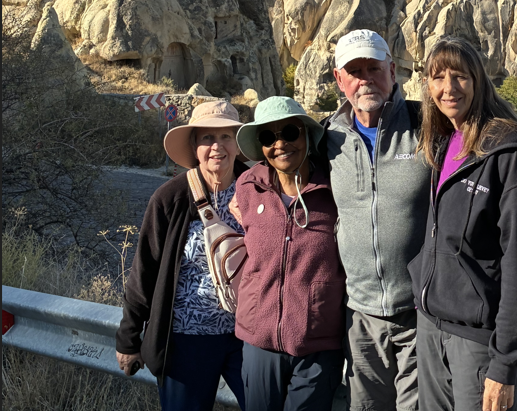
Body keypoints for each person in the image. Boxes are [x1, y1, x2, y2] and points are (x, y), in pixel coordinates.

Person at [409, 36, 517, 411]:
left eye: (461, 76)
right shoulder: (444, 140)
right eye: (438, 77)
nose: (448, 88)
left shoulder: (509, 152)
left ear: (479, 81)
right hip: (430, 327)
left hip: (476, 342)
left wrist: (505, 364)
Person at [116, 101, 247, 411]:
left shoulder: (257, 190)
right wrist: (129, 337)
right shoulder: (170, 198)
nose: (217, 147)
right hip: (187, 339)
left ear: (238, 143)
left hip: (248, 337)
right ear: (194, 145)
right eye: (207, 138)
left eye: (226, 136)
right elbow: (144, 272)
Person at [325, 29, 431, 411]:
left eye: (374, 67)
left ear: (392, 70)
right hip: (359, 315)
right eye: (354, 70)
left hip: (420, 315)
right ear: (339, 79)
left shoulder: (428, 126)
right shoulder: (327, 138)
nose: (365, 78)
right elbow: (280, 169)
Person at [231, 96, 346, 411]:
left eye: (290, 132)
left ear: (307, 135)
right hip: (260, 341)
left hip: (318, 343)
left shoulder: (335, 189)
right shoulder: (247, 187)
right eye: (268, 136)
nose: (280, 143)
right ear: (260, 146)